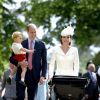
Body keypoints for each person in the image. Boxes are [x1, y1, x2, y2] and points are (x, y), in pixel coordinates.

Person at [15, 23, 47, 100]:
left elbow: (44, 62)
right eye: (31, 32)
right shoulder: (20, 44)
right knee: (20, 96)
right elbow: (14, 59)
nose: (33, 34)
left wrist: (43, 76)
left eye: (35, 32)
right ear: (27, 32)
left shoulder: (41, 45)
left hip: (34, 75)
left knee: (31, 97)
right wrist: (20, 62)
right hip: (21, 74)